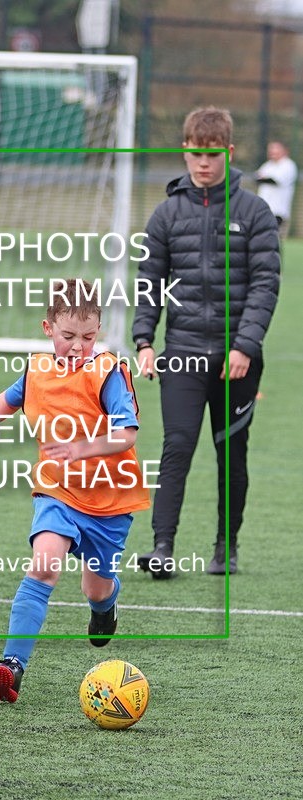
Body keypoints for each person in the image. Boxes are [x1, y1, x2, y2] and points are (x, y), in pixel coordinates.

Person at [0, 280, 150, 704]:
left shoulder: (108, 371)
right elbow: (7, 400)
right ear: (48, 328)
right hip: (55, 490)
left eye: (89, 336)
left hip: (108, 499)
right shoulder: (37, 369)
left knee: (95, 588)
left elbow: (126, 433)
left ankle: (105, 604)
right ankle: (12, 665)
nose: (78, 346)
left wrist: (82, 447)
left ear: (100, 333)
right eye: (68, 336)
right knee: (44, 565)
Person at [132, 106, 280, 579]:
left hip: (237, 361)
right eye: (195, 153)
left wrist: (245, 347)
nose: (203, 163)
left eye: (212, 154)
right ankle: (162, 547)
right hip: (182, 355)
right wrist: (144, 341)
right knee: (176, 446)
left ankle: (225, 547)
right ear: (185, 151)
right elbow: (149, 281)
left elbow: (264, 283)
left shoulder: (254, 212)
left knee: (230, 455)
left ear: (228, 153)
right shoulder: (166, 213)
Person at [255, 141, 297, 238]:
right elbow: (257, 177)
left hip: (278, 210)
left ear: (285, 151)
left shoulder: (288, 165)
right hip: (263, 208)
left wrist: (264, 178)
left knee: (273, 237)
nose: (273, 151)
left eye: (276, 149)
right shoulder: (268, 165)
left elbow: (275, 180)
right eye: (271, 149)